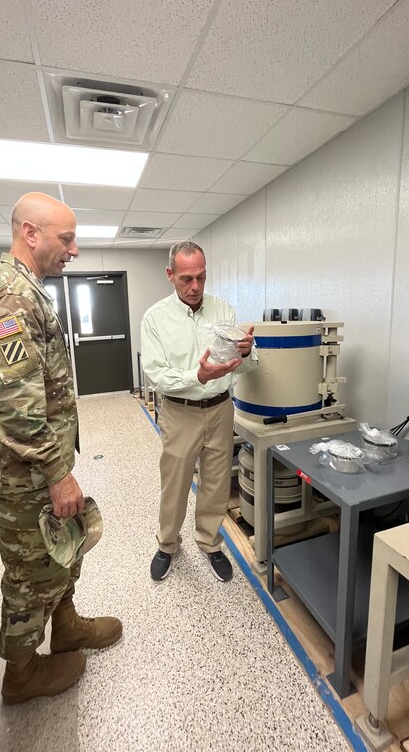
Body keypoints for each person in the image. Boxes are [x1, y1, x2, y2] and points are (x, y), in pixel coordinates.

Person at [0, 192, 122, 705]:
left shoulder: (27, 289)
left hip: (36, 463)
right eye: (66, 239)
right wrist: (58, 472)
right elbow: (14, 405)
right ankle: (22, 675)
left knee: (58, 550)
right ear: (30, 233)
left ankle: (68, 626)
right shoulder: (8, 298)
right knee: (30, 570)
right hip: (21, 470)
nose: (73, 250)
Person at [141, 241, 257, 583]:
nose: (195, 287)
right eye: (186, 279)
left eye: (202, 278)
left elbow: (244, 368)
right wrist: (198, 375)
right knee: (175, 483)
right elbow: (157, 374)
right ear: (170, 275)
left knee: (217, 482)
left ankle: (209, 541)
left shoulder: (224, 311)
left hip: (221, 409)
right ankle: (167, 544)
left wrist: (248, 354)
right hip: (180, 412)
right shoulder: (155, 319)